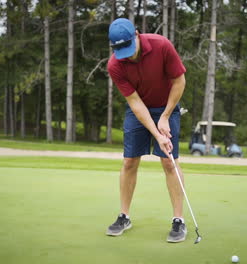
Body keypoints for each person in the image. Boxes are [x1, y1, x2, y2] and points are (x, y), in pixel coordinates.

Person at [106, 18, 187, 243]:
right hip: (139, 109)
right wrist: (156, 132)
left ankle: (179, 220)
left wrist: (165, 116)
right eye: (122, 51)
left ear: (138, 35)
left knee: (169, 161)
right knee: (129, 161)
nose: (129, 55)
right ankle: (124, 216)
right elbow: (135, 103)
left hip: (167, 105)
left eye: (130, 48)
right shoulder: (115, 65)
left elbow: (179, 82)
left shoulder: (162, 46)